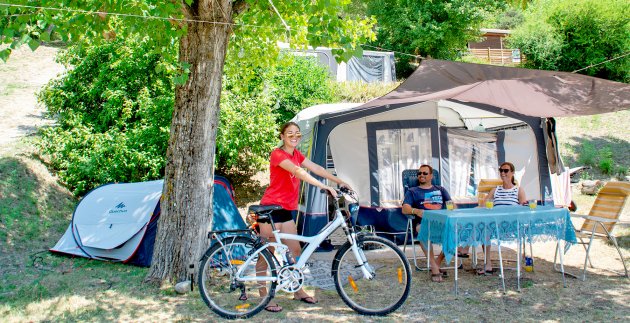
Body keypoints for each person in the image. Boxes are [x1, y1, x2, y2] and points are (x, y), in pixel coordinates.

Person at [256, 121, 351, 313]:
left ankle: (298, 291)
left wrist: (339, 181)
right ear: (282, 136)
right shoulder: (278, 154)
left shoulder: (297, 154)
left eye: (297, 134)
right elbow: (298, 172)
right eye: (290, 133)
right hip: (271, 209)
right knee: (266, 255)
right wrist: (323, 186)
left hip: (286, 211)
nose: (294, 136)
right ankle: (264, 297)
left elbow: (317, 168)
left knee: (296, 252)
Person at [401, 164, 453, 283]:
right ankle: (434, 267)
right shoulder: (413, 191)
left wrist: (451, 208)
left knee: (455, 232)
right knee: (422, 230)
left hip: (442, 221)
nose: (421, 175)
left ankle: (437, 262)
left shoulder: (440, 189)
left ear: (431, 176)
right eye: (419, 173)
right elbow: (405, 208)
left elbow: (452, 205)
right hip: (424, 222)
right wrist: (416, 211)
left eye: (424, 173)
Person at [478, 161, 527, 275]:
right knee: (484, 229)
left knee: (485, 228)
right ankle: (488, 264)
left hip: (512, 224)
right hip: (495, 224)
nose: (503, 173)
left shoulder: (518, 190)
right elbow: (484, 205)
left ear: (513, 173)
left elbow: (523, 207)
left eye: (506, 171)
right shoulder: (495, 190)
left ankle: (464, 249)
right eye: (501, 170)